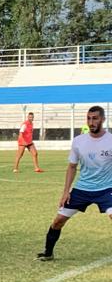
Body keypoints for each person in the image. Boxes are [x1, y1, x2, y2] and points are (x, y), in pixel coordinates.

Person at [36, 106, 112, 261]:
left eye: (95, 118)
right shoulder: (78, 141)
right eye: (89, 118)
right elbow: (72, 166)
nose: (91, 122)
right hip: (82, 189)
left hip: (106, 189)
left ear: (103, 120)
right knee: (58, 222)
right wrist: (66, 192)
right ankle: (48, 253)